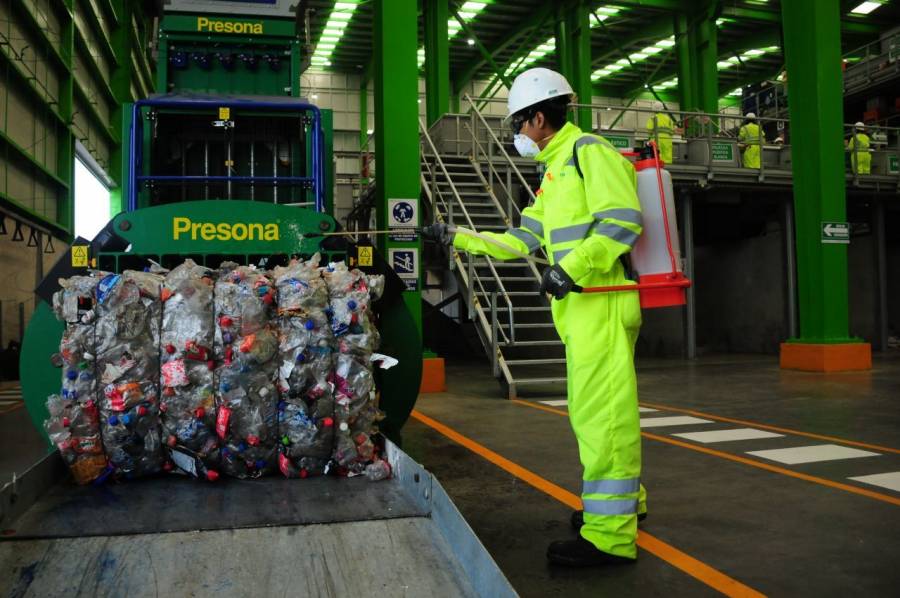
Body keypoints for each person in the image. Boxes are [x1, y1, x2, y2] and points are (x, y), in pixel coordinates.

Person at [423, 67, 647, 567]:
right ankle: (626, 508)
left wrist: (570, 268)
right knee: (598, 414)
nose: (517, 136)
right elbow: (520, 240)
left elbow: (623, 220)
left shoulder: (588, 152)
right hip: (583, 306)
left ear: (539, 119)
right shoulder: (554, 171)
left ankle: (610, 537)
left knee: (602, 418)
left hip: (600, 299)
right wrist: (455, 236)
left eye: (518, 125)